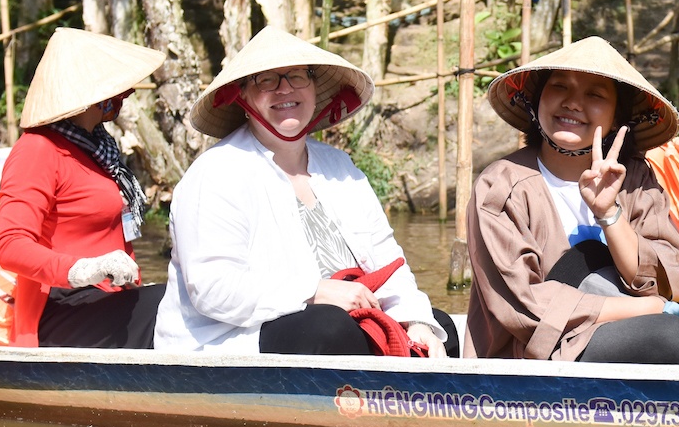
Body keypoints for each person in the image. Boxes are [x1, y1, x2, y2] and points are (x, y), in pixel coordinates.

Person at [155, 26, 455, 356]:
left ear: (313, 88)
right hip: (234, 338)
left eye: (297, 76)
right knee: (327, 327)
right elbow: (213, 289)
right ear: (243, 97)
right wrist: (314, 292)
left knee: (442, 329)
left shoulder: (340, 167)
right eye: (266, 80)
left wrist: (417, 324)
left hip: (342, 321)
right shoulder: (216, 173)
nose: (284, 89)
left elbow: (387, 258)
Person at [465, 37, 679, 364]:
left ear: (618, 117)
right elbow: (524, 304)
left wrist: (609, 214)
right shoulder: (501, 185)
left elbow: (669, 285)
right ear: (536, 102)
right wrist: (642, 309)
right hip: (533, 351)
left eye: (594, 94)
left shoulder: (636, 181)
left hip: (624, 331)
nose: (573, 103)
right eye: (559, 87)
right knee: (672, 338)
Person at [0, 28, 166, 348]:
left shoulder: (102, 149)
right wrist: (84, 269)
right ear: (94, 96)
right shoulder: (38, 149)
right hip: (61, 305)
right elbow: (10, 246)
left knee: (180, 299)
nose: (125, 94)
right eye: (116, 89)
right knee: (167, 304)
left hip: (107, 299)